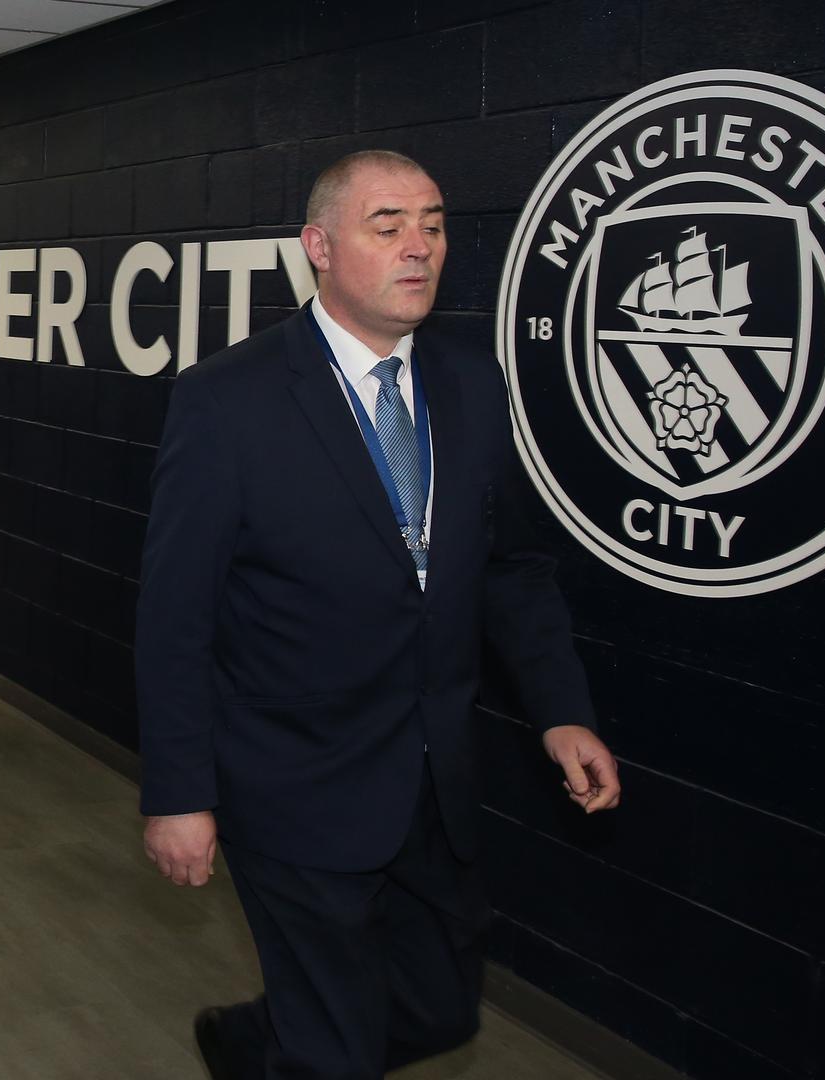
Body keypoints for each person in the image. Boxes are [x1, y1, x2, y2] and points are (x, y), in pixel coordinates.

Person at [135, 150, 622, 1080]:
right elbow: (174, 619)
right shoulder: (227, 400)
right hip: (289, 784)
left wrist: (561, 711)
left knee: (439, 1015)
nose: (419, 249)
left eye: (433, 225)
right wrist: (177, 792)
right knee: (337, 1053)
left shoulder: (471, 385)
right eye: (387, 225)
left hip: (432, 785)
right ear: (318, 246)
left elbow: (511, 570)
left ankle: (251, 1043)